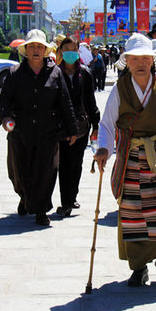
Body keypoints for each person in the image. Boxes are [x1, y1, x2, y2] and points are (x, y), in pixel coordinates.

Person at [94, 33, 156, 287]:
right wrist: (103, 148)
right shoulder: (120, 88)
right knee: (134, 215)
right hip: (132, 158)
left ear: (152, 60)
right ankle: (139, 267)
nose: (140, 63)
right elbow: (107, 123)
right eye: (134, 58)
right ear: (127, 61)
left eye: (145, 58)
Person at [0, 29, 77, 226]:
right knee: (19, 172)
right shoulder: (15, 73)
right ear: (26, 50)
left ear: (45, 50)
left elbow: (65, 103)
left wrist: (72, 129)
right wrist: (6, 118)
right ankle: (25, 197)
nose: (36, 50)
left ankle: (41, 209)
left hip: (48, 132)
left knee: (47, 172)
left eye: (40, 47)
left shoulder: (55, 73)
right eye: (32, 46)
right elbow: (4, 100)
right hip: (20, 132)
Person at [55, 36, 100, 217]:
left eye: (73, 49)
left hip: (82, 125)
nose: (70, 53)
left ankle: (72, 196)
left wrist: (95, 125)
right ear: (60, 52)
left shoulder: (85, 74)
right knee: (64, 163)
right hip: (62, 126)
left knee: (77, 162)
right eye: (66, 49)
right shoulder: (55, 73)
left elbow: (90, 100)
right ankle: (65, 201)